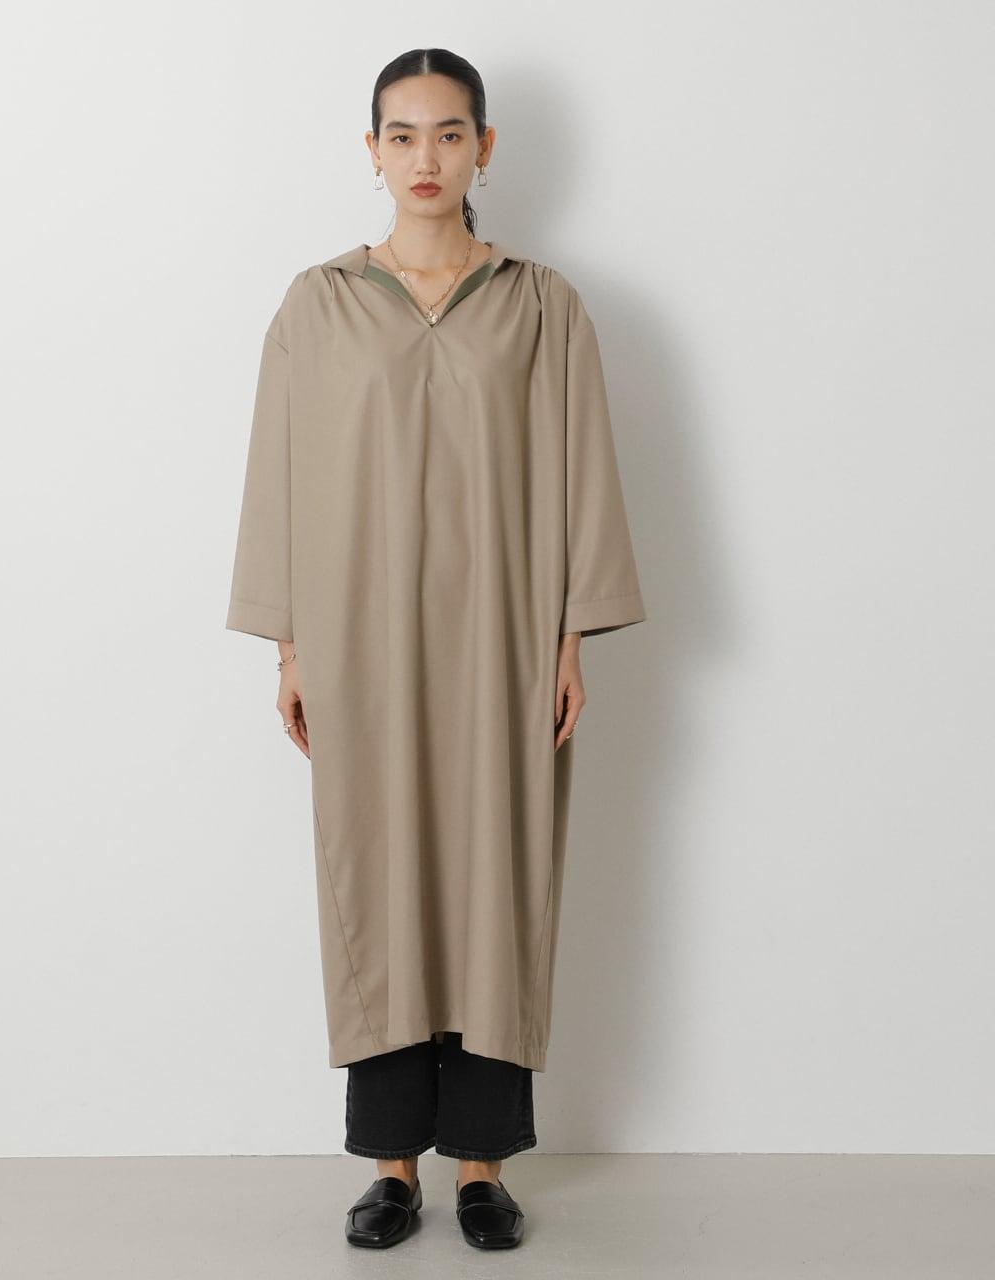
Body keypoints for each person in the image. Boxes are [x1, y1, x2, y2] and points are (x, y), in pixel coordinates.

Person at [225, 48, 646, 1250]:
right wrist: (289, 644)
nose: (425, 158)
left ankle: (482, 1167)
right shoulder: (318, 303)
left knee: (494, 883)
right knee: (379, 877)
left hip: (501, 638)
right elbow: (278, 472)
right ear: (371, 151)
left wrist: (570, 633)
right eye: (402, 135)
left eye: (449, 133)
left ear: (484, 148)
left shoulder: (541, 304)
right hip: (359, 641)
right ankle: (390, 1166)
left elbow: (582, 466)